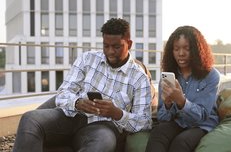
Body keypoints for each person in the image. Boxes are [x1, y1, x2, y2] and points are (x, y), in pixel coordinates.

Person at [13, 18, 152, 152]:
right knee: (30, 119)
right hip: (71, 117)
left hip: (103, 128)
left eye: (116, 47)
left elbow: (144, 122)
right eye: (106, 46)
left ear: (129, 43)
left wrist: (117, 113)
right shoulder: (87, 59)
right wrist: (77, 102)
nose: (110, 52)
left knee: (103, 142)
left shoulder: (139, 78)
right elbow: (62, 93)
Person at [145, 26, 221, 152]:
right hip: (179, 121)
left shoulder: (211, 75)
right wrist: (168, 104)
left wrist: (181, 101)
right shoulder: (168, 76)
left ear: (197, 50)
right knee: (158, 132)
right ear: (171, 51)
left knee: (180, 142)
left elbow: (201, 116)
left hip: (202, 124)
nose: (181, 53)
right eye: (176, 49)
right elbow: (163, 118)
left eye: (187, 48)